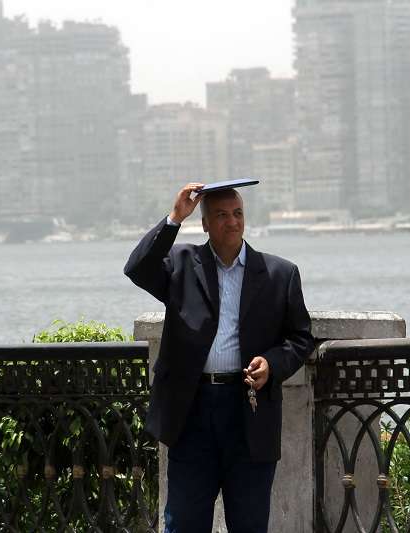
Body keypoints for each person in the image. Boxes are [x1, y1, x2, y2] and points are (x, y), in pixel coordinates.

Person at [124, 182, 314, 533]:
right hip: (191, 412)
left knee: (249, 524)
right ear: (205, 224)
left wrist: (272, 364)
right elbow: (137, 268)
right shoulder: (181, 265)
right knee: (183, 522)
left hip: (249, 413)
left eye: (238, 213)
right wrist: (174, 218)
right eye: (222, 215)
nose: (232, 222)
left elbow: (301, 338)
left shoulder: (280, 274)